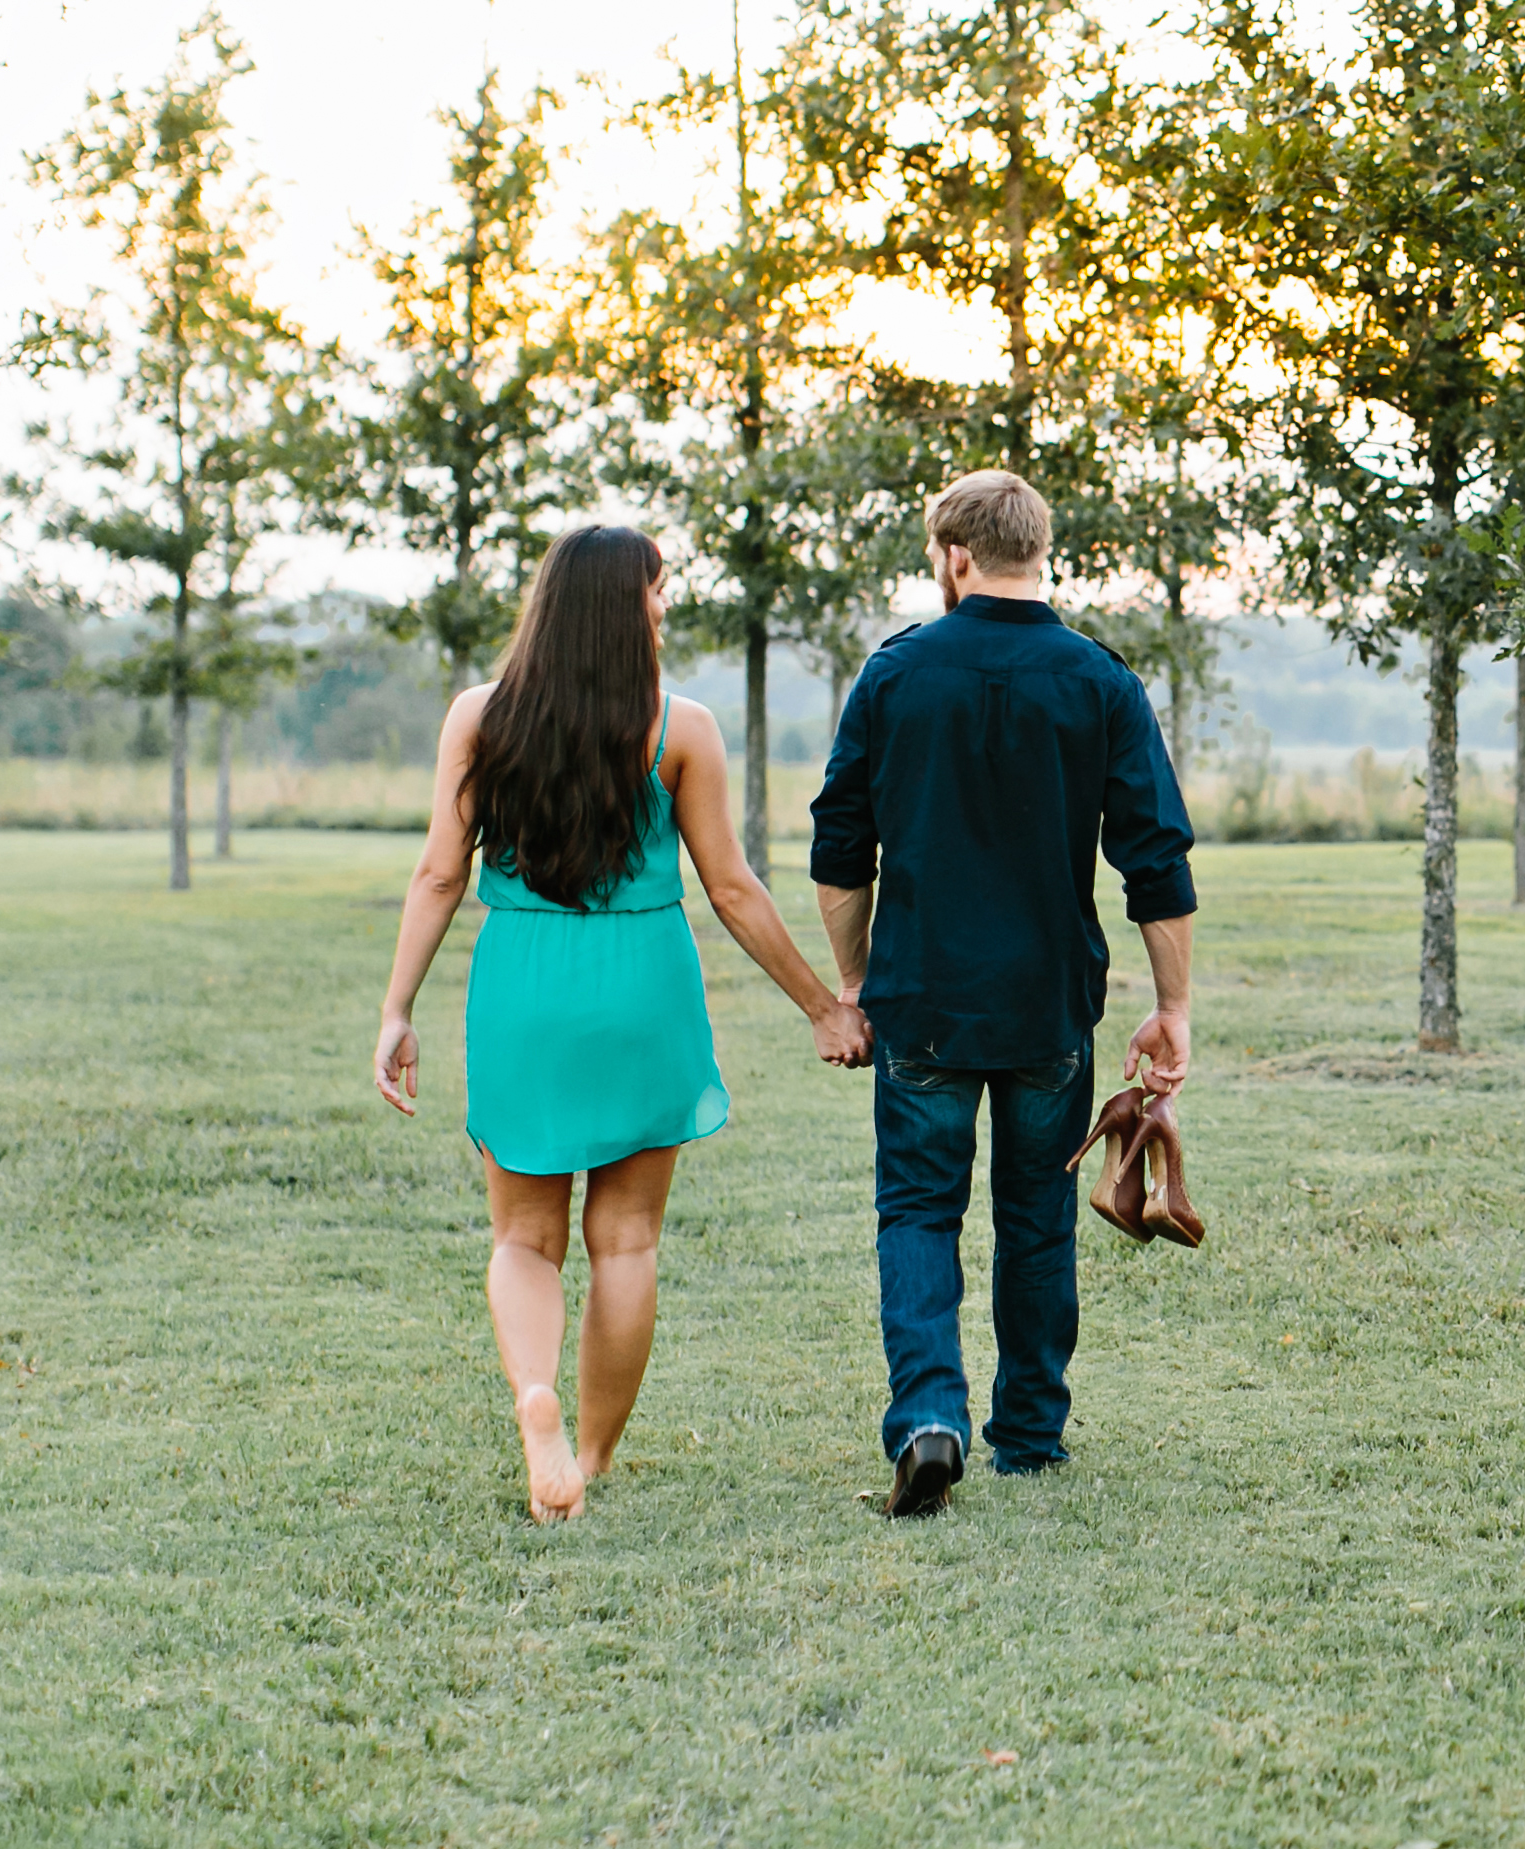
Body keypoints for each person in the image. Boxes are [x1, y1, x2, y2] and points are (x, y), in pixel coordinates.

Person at [374, 525, 871, 1523]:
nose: (663, 604)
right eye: (657, 588)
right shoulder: (678, 726)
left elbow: (438, 870)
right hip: (642, 982)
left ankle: (534, 1397)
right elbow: (730, 886)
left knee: (522, 1237)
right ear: (625, 603)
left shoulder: (478, 717)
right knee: (628, 1238)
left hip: (523, 982)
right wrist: (824, 1004)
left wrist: (397, 1008)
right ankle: (588, 1458)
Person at [811, 469, 1198, 1519]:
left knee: (919, 1210)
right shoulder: (1100, 683)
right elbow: (1154, 858)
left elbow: (840, 848)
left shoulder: (894, 676)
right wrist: (1174, 1007)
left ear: (954, 556)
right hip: (1046, 1005)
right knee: (1035, 1218)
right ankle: (1029, 1433)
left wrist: (852, 980)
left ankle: (931, 1417)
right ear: (1041, 549)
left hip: (922, 1000)